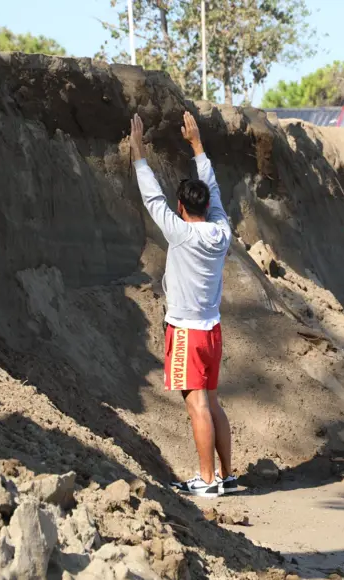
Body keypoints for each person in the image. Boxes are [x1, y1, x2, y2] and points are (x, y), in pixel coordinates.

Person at [129, 111, 238, 498]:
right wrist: (197, 147)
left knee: (197, 408)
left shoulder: (180, 233)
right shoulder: (221, 231)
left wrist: (138, 151)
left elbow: (151, 196)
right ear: (207, 207)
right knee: (214, 403)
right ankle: (226, 475)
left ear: (181, 206)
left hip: (186, 334)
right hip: (212, 332)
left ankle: (207, 481)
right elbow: (214, 190)